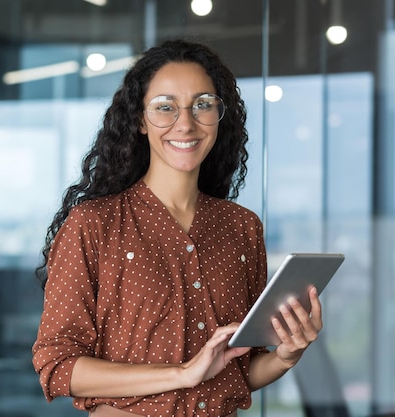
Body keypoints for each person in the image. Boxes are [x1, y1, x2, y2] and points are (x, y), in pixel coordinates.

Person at [31, 38, 323, 417]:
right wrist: (181, 374)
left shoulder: (242, 228)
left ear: (220, 115)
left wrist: (287, 355)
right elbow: (58, 367)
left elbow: (237, 372)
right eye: (165, 107)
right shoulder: (93, 225)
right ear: (139, 119)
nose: (185, 123)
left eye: (202, 105)